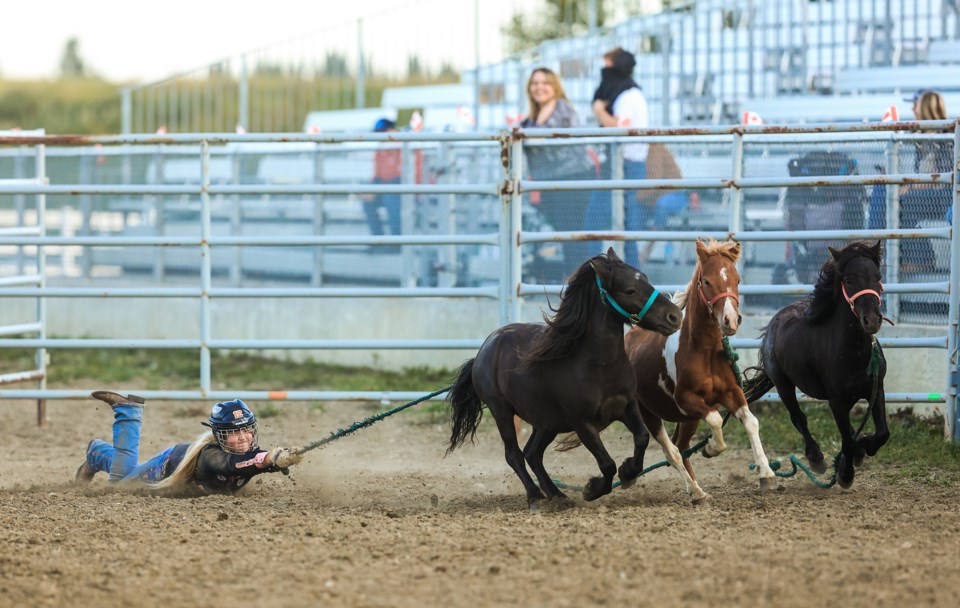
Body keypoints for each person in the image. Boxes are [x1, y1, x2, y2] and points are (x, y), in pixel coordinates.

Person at [75, 391, 305, 494]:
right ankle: (121, 423)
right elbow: (234, 464)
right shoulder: (211, 456)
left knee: (125, 473)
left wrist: (280, 458)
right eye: (235, 433)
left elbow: (255, 462)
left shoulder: (245, 452)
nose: (244, 437)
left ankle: (124, 417)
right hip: (163, 468)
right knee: (120, 485)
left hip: (179, 457)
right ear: (221, 435)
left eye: (247, 430)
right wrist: (271, 458)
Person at [519, 67, 594, 279]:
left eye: (545, 83)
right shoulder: (533, 116)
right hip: (549, 182)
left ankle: (582, 284)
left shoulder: (563, 109)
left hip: (572, 179)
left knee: (573, 234)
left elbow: (539, 140)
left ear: (555, 86)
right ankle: (576, 282)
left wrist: (525, 137)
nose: (539, 87)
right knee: (564, 233)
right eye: (535, 83)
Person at [868, 90, 952, 272]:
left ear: (926, 107)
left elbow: (944, 177)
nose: (913, 109)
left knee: (902, 203)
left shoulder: (947, 135)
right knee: (883, 188)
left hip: (947, 196)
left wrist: (911, 186)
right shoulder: (920, 137)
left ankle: (919, 260)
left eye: (916, 104)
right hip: (927, 192)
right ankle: (873, 251)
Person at [582, 47, 650, 268]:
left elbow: (621, 127)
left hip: (626, 165)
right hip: (624, 164)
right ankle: (627, 277)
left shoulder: (627, 95)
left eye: (608, 64)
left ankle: (601, 277)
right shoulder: (628, 92)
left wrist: (599, 111)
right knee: (623, 226)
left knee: (600, 222)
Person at [633, 143, 693, 264]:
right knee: (633, 214)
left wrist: (637, 197)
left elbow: (655, 181)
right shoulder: (637, 154)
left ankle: (646, 250)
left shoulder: (653, 149)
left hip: (676, 194)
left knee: (662, 205)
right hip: (654, 196)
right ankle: (630, 256)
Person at [362, 118, 404, 239]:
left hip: (400, 188)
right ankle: (378, 239)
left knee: (391, 199)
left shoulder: (403, 145)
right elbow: (378, 175)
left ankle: (397, 241)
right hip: (387, 187)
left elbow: (403, 174)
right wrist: (371, 189)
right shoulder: (381, 149)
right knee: (368, 200)